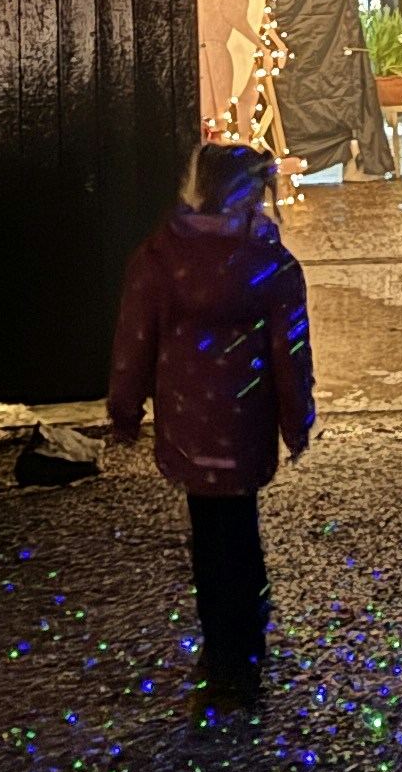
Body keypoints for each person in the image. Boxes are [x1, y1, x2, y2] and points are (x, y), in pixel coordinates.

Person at [105, 141, 315, 706]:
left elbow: (134, 341)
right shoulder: (270, 265)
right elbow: (289, 352)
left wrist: (125, 410)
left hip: (188, 424)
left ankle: (222, 655)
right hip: (244, 423)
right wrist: (297, 420)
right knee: (240, 537)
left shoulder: (159, 259)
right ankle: (243, 654)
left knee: (209, 539)